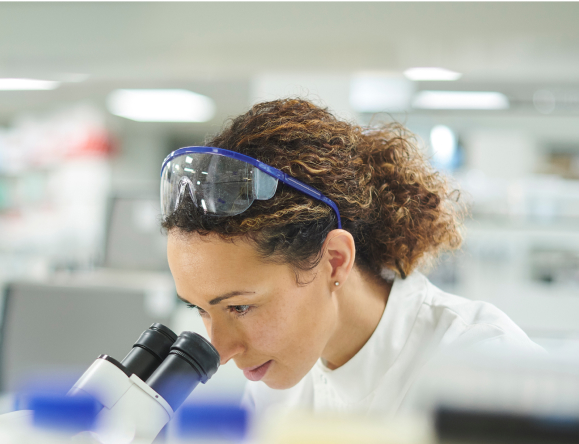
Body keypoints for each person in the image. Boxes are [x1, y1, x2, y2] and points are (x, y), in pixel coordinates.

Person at [161, 98, 539, 416]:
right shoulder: (275, 388)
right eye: (202, 310)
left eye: (240, 307)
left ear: (335, 260)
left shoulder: (484, 362)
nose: (222, 351)